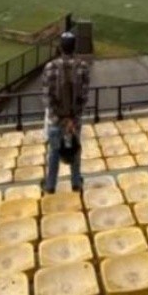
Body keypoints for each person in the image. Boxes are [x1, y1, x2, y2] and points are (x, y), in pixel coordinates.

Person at [41, 31, 90, 194]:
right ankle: (76, 183)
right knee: (75, 149)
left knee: (54, 151)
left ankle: (50, 185)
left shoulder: (50, 67)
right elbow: (84, 96)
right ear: (74, 47)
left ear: (60, 47)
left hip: (56, 120)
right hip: (74, 120)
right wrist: (71, 119)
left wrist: (60, 119)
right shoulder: (82, 66)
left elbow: (47, 98)